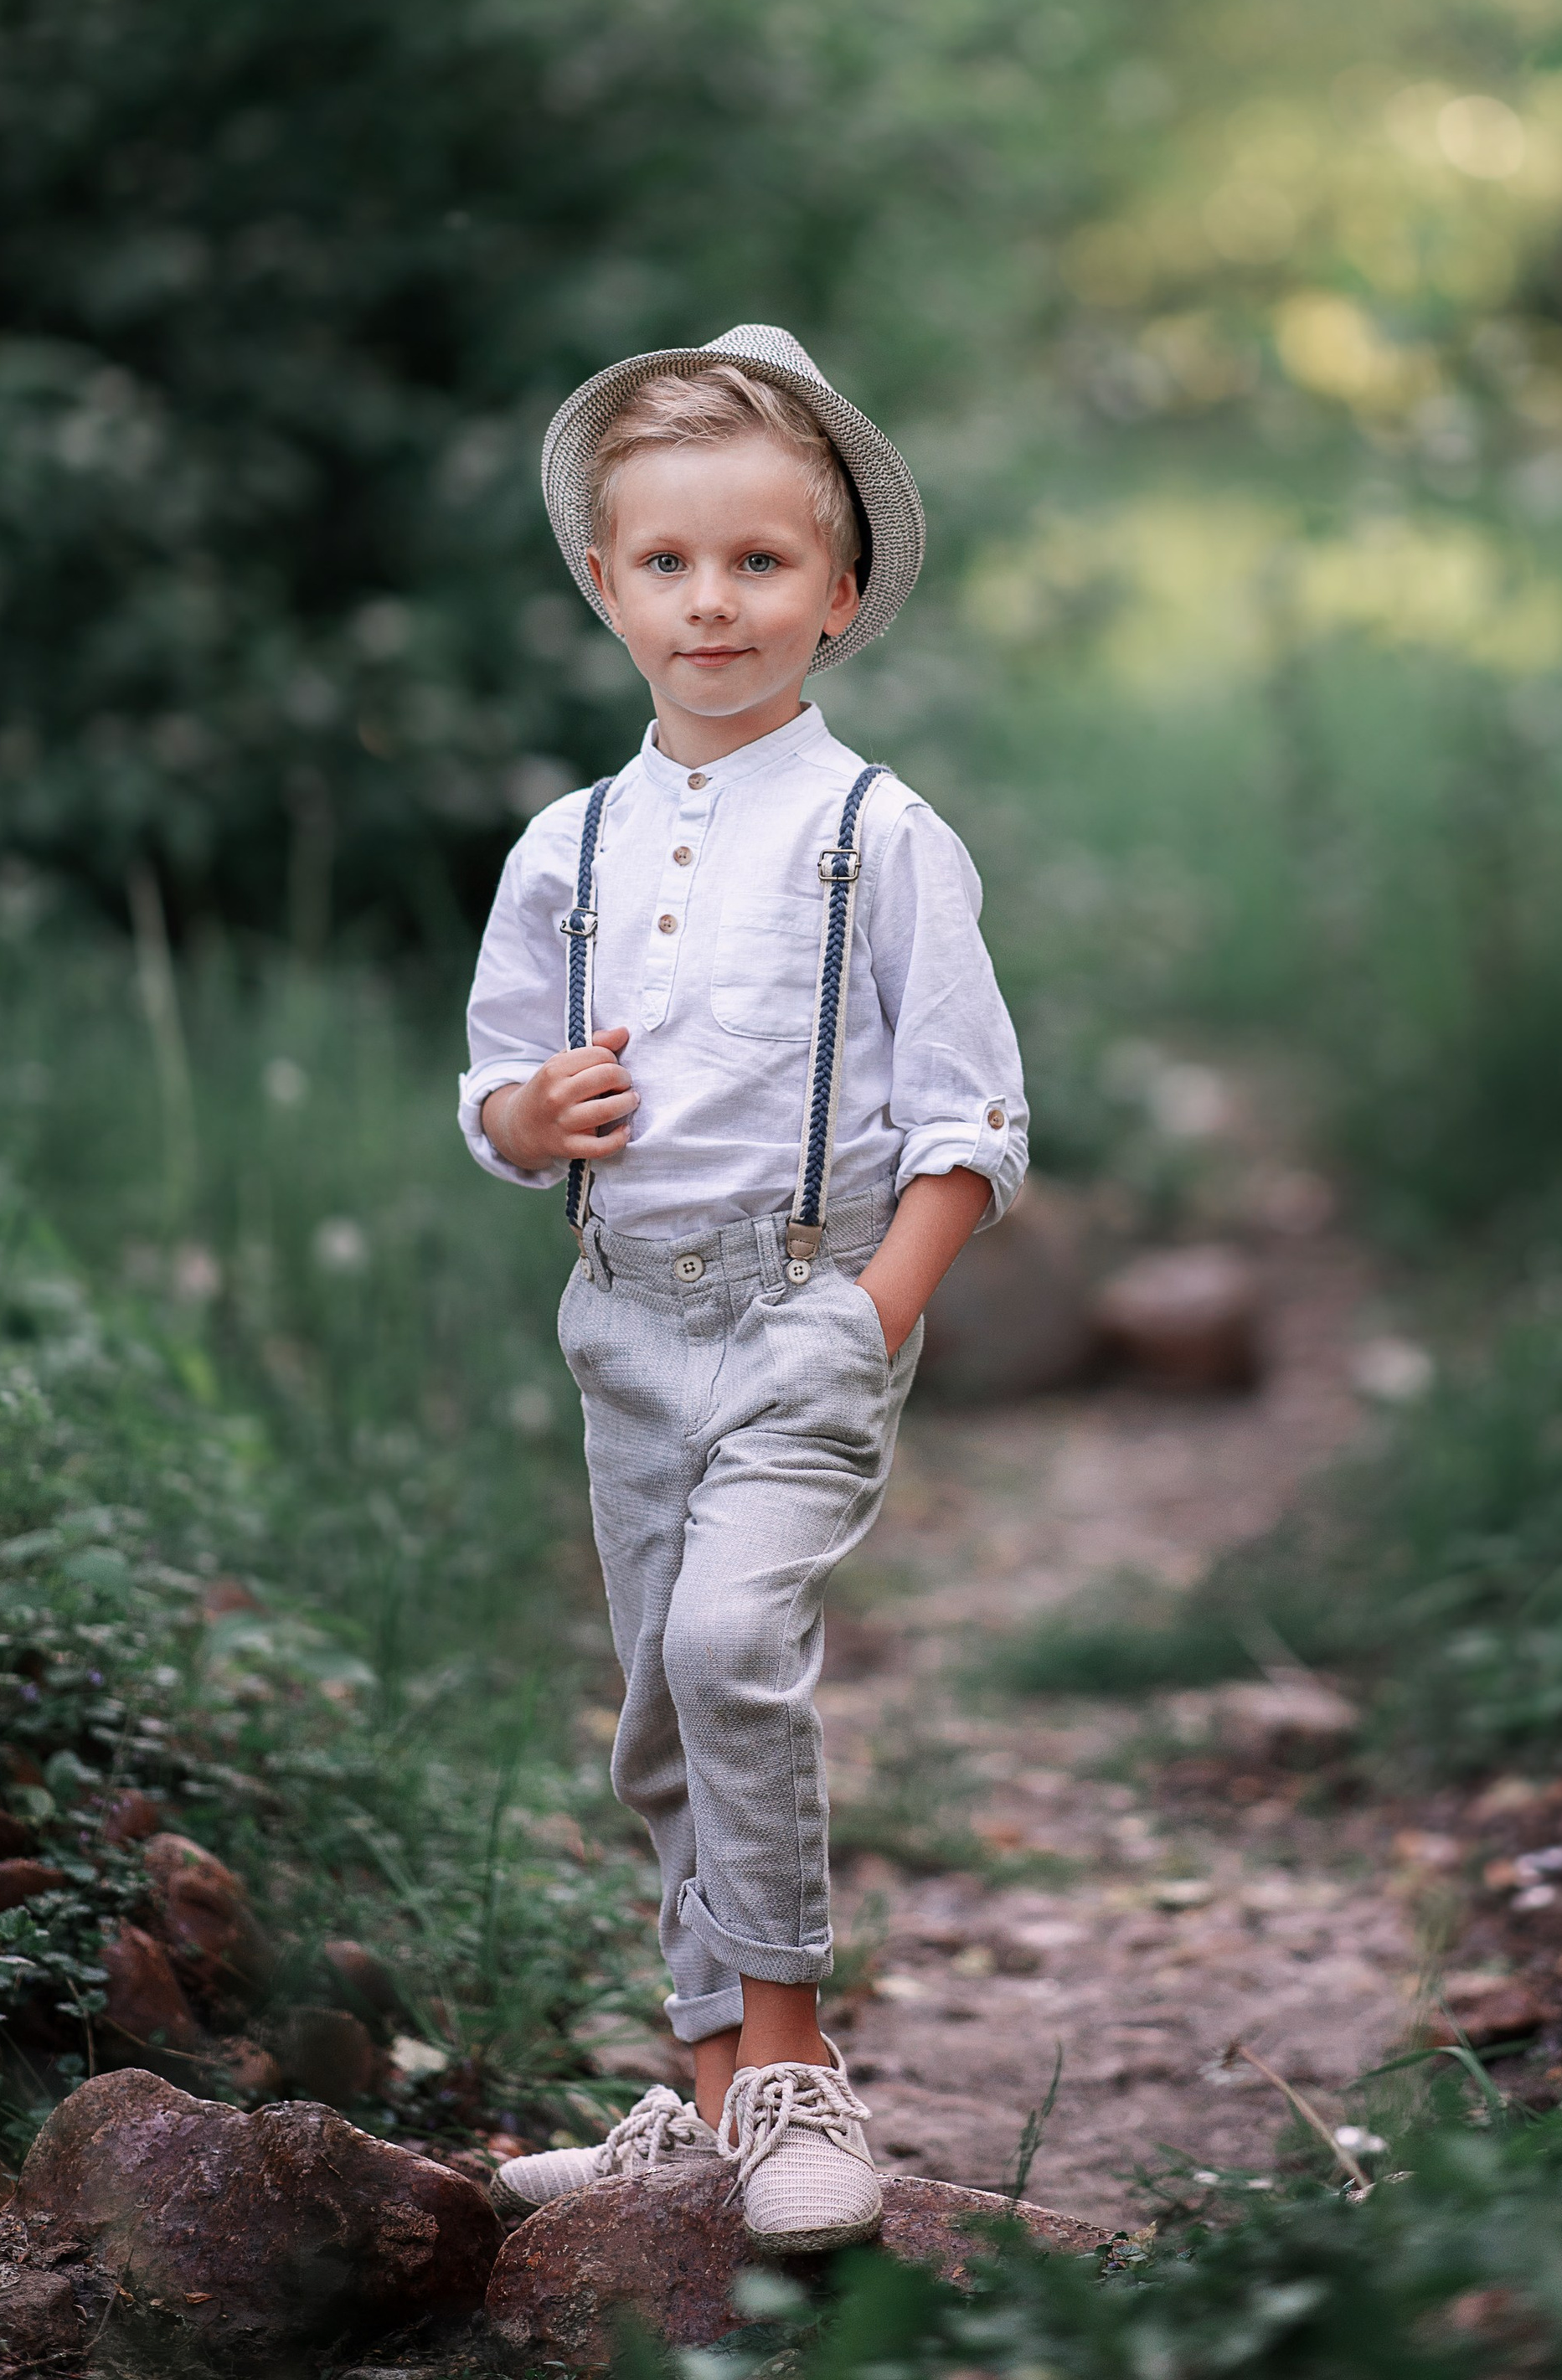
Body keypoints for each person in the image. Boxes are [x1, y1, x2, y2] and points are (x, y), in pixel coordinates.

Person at [458, 324, 1026, 2251]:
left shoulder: (881, 838)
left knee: (726, 1651)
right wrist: (532, 1113)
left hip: (798, 1310)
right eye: (672, 563)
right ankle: (708, 2100)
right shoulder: (568, 846)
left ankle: (793, 2063)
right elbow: (493, 1089)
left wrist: (862, 1317)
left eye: (761, 562)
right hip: (621, 1318)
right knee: (653, 1706)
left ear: (838, 593)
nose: (716, 602)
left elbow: (968, 1121)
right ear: (606, 584)